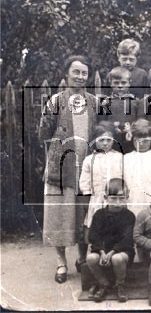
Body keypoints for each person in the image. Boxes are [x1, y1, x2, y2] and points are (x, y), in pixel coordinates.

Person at [39, 54, 97, 283]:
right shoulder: (56, 101)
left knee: (84, 215)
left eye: (84, 73)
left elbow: (100, 132)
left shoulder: (93, 102)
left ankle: (82, 259)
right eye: (76, 72)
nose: (80, 77)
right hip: (62, 168)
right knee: (60, 215)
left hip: (87, 167)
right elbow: (43, 134)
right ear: (66, 74)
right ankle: (61, 263)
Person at [86, 178, 135, 303]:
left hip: (121, 252)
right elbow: (94, 236)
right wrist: (102, 252)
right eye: (113, 199)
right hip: (102, 250)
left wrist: (112, 252)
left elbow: (127, 239)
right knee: (91, 258)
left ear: (127, 197)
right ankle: (104, 283)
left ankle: (120, 284)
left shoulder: (129, 216)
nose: (117, 203)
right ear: (105, 197)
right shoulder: (98, 215)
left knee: (117, 258)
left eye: (121, 198)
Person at [80, 121, 124, 237]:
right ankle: (96, 251)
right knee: (96, 227)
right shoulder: (89, 160)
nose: (105, 143)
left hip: (116, 199)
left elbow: (125, 177)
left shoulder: (120, 157)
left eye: (108, 140)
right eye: (101, 140)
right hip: (97, 199)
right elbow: (85, 181)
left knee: (116, 227)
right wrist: (87, 194)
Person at [123, 119, 151, 217]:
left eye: (145, 141)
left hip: (150, 197)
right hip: (132, 197)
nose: (141, 144)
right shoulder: (126, 158)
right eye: (137, 140)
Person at [100, 66, 138, 153]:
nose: (120, 86)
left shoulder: (135, 101)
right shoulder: (105, 102)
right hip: (112, 140)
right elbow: (102, 123)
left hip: (130, 139)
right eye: (116, 83)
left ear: (129, 83)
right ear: (111, 83)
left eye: (123, 83)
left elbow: (138, 120)